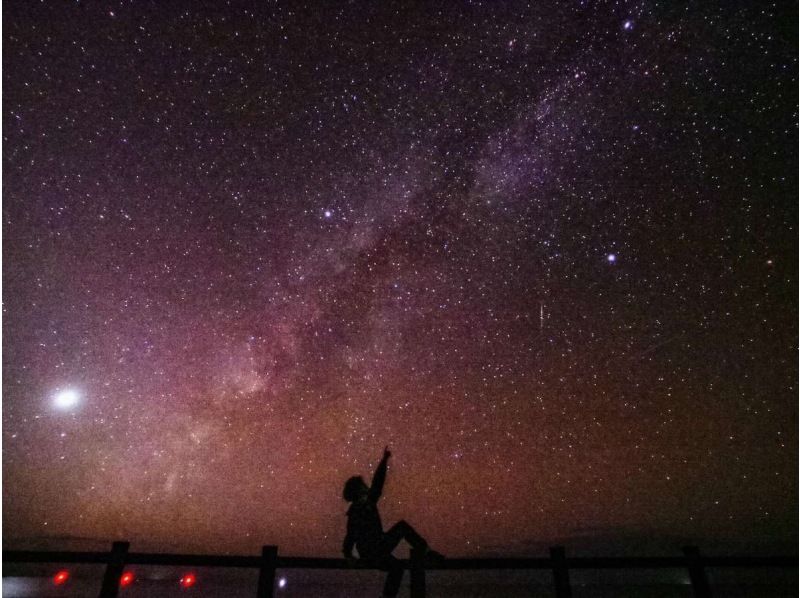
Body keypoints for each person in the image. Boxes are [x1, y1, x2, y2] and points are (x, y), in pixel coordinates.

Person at [342, 446, 444, 597]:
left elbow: (377, 483)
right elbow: (351, 534)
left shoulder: (359, 508)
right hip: (376, 549)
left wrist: (348, 554)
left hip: (371, 552)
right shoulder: (363, 506)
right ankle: (426, 552)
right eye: (363, 485)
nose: (366, 486)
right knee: (402, 528)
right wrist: (348, 555)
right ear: (359, 490)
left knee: (397, 567)